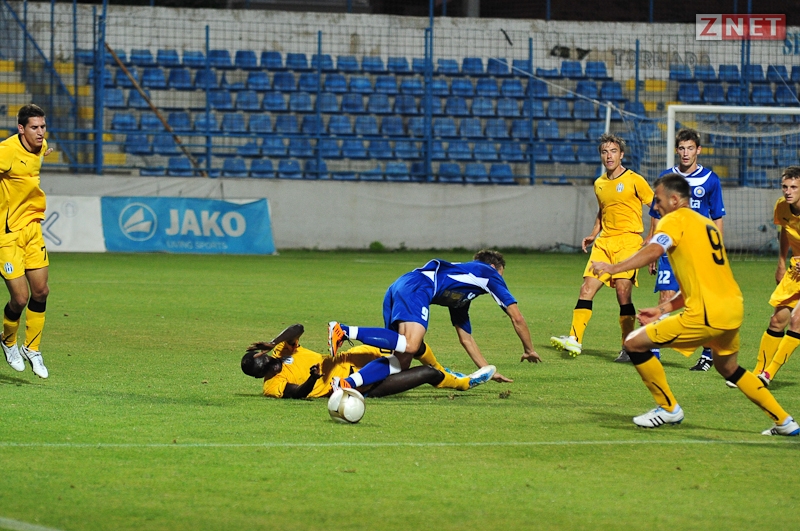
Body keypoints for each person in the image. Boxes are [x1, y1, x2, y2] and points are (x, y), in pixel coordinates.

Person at [590, 173, 798, 436]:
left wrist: (613, 268)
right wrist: (662, 309)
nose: (655, 206)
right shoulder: (705, 224)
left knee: (633, 343)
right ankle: (784, 421)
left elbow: (654, 250)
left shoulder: (674, 220)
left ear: (675, 200)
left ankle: (668, 408)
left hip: (706, 313)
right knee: (729, 368)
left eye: (659, 200)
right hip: (732, 308)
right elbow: (701, 282)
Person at [326, 249, 540, 392]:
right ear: (494, 268)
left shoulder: (461, 297)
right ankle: (343, 330)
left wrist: (487, 370)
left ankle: (346, 384)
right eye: (501, 276)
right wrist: (529, 349)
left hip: (401, 287)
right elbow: (517, 317)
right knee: (412, 345)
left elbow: (466, 339)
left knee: (401, 361)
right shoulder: (487, 273)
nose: (501, 281)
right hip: (417, 287)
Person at [550, 133, 654, 361]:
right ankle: (574, 340)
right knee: (586, 289)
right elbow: (603, 210)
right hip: (604, 243)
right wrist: (593, 233)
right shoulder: (599, 183)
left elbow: (656, 207)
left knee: (623, 292)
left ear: (621, 154)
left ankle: (628, 347)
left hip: (629, 242)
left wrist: (651, 237)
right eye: (605, 152)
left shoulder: (635, 180)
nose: (609, 156)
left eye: (613, 151)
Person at [640, 128, 725, 369]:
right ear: (676, 150)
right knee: (665, 296)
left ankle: (708, 353)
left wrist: (718, 250)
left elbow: (717, 217)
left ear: (698, 150)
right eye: (682, 148)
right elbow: (657, 214)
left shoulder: (710, 180)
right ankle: (654, 352)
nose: (686, 153)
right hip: (670, 249)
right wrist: (653, 245)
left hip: (699, 250)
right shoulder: (666, 177)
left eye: (690, 148)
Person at [240, 324, 495, 398]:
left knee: (412, 346)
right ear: (258, 374)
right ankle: (463, 383)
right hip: (360, 387)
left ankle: (448, 374)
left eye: (262, 357)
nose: (268, 364)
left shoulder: (282, 351)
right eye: (262, 366)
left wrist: (273, 341)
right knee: (429, 373)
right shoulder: (271, 386)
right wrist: (313, 378)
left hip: (358, 356)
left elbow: (298, 327)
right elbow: (297, 393)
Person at [0, 104, 53, 378]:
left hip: (33, 230)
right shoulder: (7, 151)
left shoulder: (40, 146)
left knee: (41, 291)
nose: (40, 132)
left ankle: (32, 348)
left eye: (43, 127)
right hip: (8, 234)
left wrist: (46, 149)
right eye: (34, 127)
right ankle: (8, 340)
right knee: (20, 298)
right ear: (21, 128)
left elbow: (42, 151)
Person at [752, 166, 800, 387]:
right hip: (795, 270)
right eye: (785, 187)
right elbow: (785, 231)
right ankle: (757, 372)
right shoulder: (782, 206)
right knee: (777, 320)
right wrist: (781, 262)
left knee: (796, 321)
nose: (788, 191)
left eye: (794, 187)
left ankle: (768, 374)